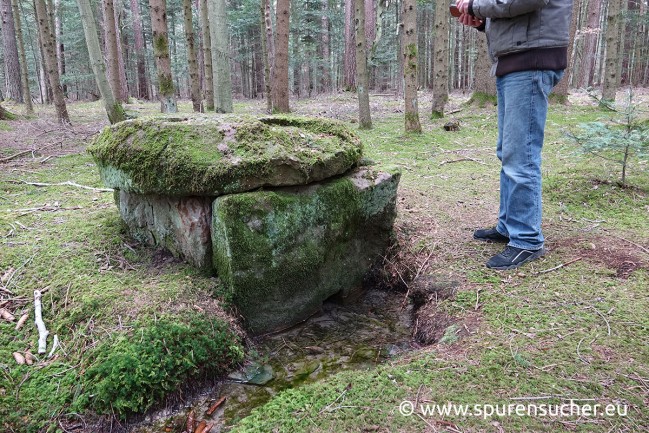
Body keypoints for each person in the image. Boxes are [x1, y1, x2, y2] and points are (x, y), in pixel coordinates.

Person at [455, 0, 573, 270]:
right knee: (508, 151)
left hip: (530, 60)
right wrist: (483, 20)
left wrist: (477, 5)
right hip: (516, 59)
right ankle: (509, 226)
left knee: (521, 154)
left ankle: (527, 239)